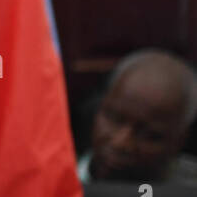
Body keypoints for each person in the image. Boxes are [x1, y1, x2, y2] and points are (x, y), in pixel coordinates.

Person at [81, 49, 197, 185]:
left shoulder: (190, 194)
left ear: (179, 142)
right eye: (114, 119)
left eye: (149, 135)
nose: (121, 143)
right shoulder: (55, 179)